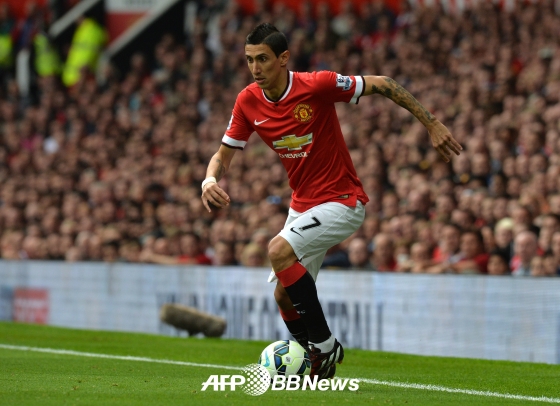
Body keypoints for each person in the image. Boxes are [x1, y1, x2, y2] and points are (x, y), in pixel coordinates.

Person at [200, 23, 461, 379]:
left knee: (277, 250)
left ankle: (324, 346)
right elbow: (223, 155)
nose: (255, 68)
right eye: (249, 60)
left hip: (342, 201)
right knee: (283, 296)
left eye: (263, 59)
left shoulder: (316, 85)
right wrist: (209, 180)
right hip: (302, 205)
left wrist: (432, 123)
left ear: (283, 58)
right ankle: (316, 366)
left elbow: (383, 83)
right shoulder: (248, 100)